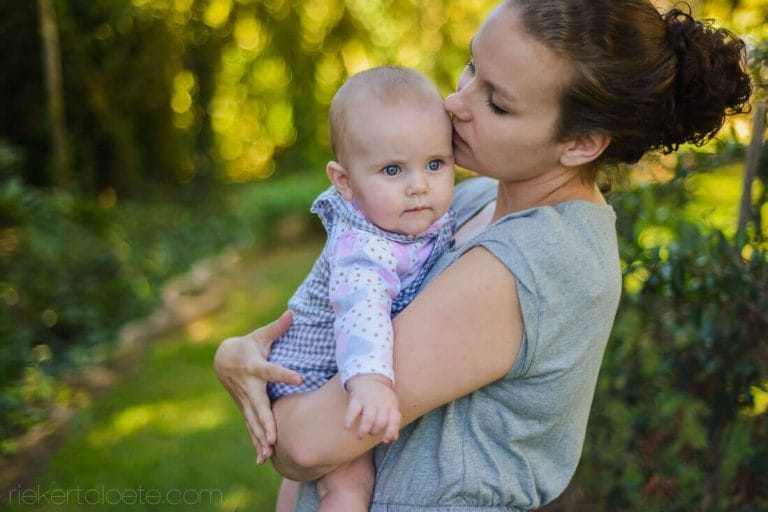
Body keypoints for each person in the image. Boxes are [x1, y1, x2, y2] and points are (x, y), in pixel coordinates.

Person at [215, 1, 751, 510]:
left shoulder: (532, 261)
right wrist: (237, 355)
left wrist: (260, 386)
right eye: (472, 66)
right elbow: (326, 314)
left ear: (581, 143)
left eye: (496, 102)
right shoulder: (468, 202)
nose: (455, 103)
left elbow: (307, 444)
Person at [262, 65, 455, 511]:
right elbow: (361, 310)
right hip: (312, 372)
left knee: (308, 483)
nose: (419, 186)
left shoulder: (417, 220)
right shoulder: (363, 249)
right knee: (350, 482)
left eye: (435, 164)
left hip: (338, 362)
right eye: (392, 169)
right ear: (344, 182)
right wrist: (371, 383)